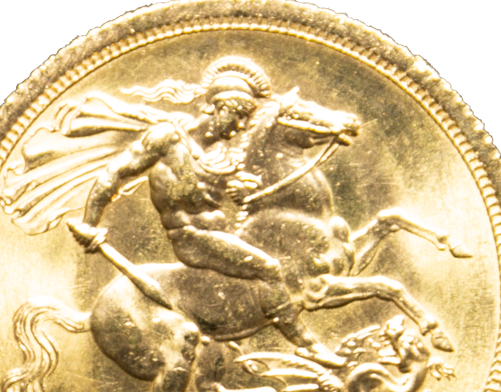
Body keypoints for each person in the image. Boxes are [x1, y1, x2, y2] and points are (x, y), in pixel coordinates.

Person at [70, 59, 345, 367]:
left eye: (246, 118)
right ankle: (307, 344)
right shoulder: (168, 138)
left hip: (220, 236)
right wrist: (89, 223)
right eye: (239, 116)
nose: (241, 126)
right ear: (219, 107)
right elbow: (115, 174)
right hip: (191, 239)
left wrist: (242, 189)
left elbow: (223, 193)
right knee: (268, 268)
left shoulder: (220, 155)